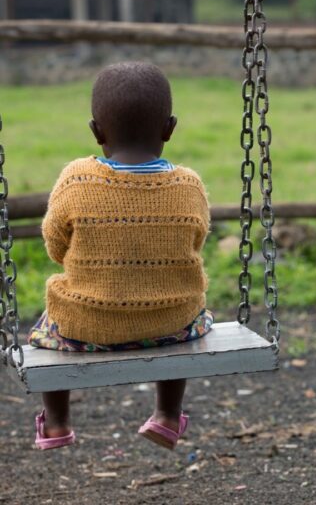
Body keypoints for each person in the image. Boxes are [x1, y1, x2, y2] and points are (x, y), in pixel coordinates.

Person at [29, 61, 213, 451]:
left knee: (48, 329)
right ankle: (166, 415)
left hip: (85, 326)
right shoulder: (189, 185)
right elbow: (193, 244)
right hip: (171, 323)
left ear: (96, 132)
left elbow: (55, 246)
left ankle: (58, 423)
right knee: (185, 321)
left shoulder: (77, 180)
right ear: (170, 128)